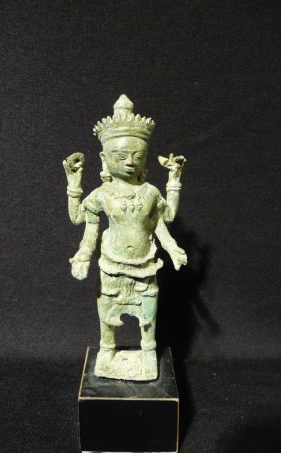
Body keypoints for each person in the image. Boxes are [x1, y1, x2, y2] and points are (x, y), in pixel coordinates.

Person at [63, 95, 187, 380]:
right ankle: (107, 350)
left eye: (137, 157)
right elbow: (82, 221)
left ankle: (148, 352)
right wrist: (74, 184)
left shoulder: (150, 193)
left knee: (148, 313)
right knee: (107, 312)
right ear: (105, 159)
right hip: (112, 266)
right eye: (120, 157)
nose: (130, 162)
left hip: (145, 266)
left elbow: (163, 221)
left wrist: (172, 247)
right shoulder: (103, 193)